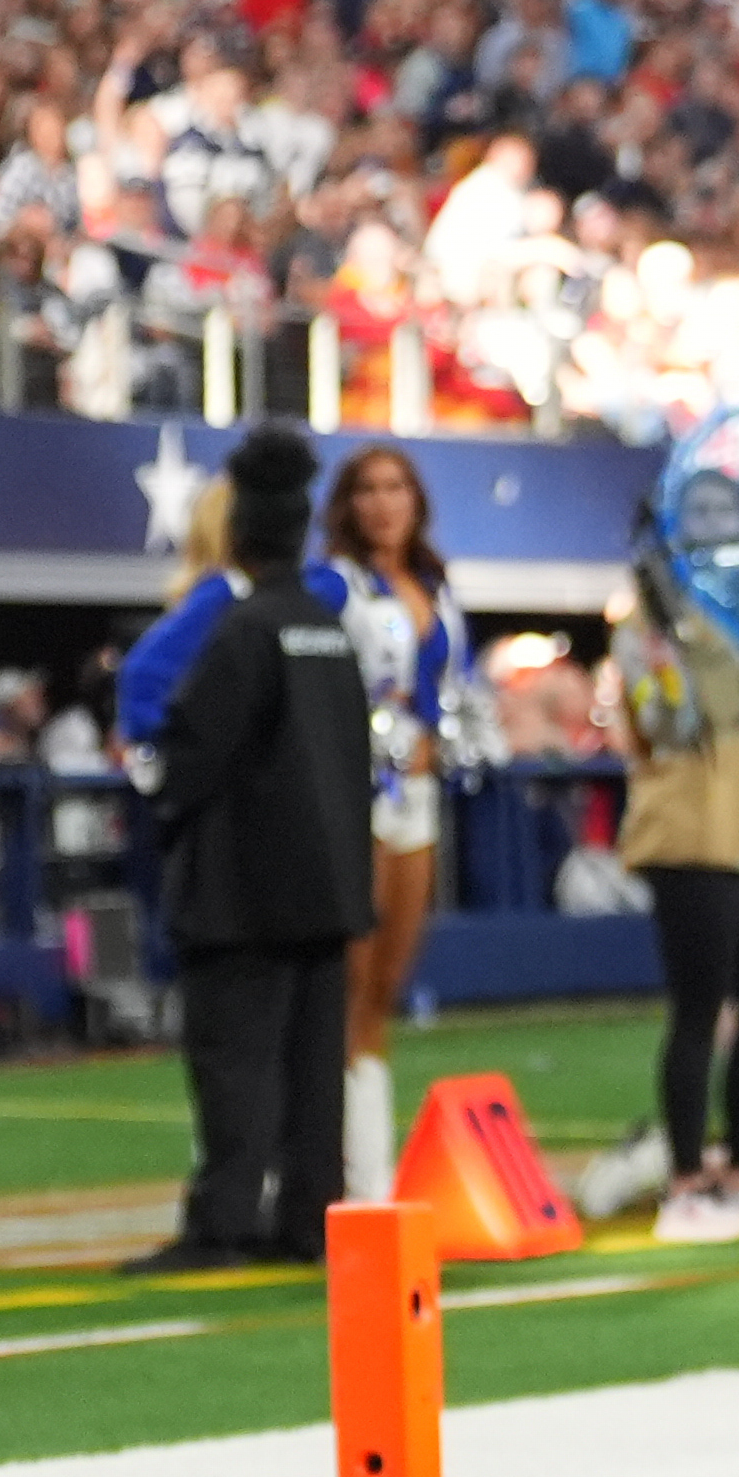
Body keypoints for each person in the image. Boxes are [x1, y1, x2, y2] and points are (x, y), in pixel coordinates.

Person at [124, 428, 375, 1273]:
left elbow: (192, 756)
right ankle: (309, 1217)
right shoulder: (326, 628)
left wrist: (159, 794)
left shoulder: (242, 630)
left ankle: (223, 1223)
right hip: (328, 885)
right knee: (313, 1068)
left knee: (235, 1063)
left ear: (236, 535)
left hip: (244, 891)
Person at [611, 531, 739, 1242]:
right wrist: (682, 638)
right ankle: (688, 1180)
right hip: (696, 833)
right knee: (698, 1009)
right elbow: (670, 721)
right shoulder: (652, 624)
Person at [323, 444, 497, 1202]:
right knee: (349, 985)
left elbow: (454, 685)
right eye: (366, 489)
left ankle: (372, 1171)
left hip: (419, 793)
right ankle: (342, 1174)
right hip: (358, 794)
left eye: (396, 487)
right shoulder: (335, 584)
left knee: (386, 988)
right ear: (347, 504)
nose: (382, 503)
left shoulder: (433, 583)